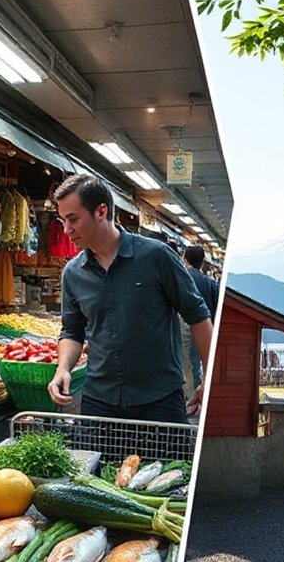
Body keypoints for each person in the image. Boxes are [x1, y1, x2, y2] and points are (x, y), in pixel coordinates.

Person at [46, 175, 212, 422]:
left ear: (101, 211)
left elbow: (197, 315)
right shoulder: (73, 273)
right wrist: (63, 369)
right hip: (99, 402)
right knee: (100, 463)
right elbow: (72, 331)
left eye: (73, 219)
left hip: (160, 401)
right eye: (63, 221)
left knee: (169, 463)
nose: (67, 230)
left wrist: (210, 381)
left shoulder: (157, 257)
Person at [183, 246, 219, 392]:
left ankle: (191, 396)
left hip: (185, 326)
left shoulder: (181, 277)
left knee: (187, 364)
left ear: (185, 259)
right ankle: (200, 393)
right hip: (207, 327)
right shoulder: (210, 283)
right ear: (203, 262)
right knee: (199, 362)